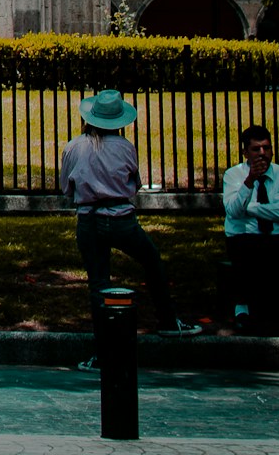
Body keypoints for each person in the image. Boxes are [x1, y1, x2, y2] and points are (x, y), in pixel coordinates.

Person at [59, 89, 203, 358]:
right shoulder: (125, 148)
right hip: (121, 218)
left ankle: (104, 353)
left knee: (98, 283)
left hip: (88, 220)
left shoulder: (73, 147)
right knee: (152, 261)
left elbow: (66, 188)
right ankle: (169, 321)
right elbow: (133, 186)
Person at [222, 124, 279, 330]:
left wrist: (251, 207)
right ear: (245, 152)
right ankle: (242, 310)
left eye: (266, 148)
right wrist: (249, 182)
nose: (262, 154)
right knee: (244, 249)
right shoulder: (233, 176)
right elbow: (233, 212)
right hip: (246, 236)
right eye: (256, 149)